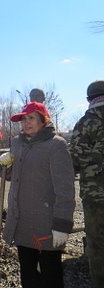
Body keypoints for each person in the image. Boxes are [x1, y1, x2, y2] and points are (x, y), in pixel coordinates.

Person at [2, 102, 75, 288]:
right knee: (28, 275)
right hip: (22, 222)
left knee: (51, 277)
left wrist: (62, 225)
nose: (26, 123)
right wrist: (4, 167)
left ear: (44, 120)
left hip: (46, 225)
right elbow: (13, 175)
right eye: (23, 119)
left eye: (31, 118)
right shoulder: (17, 143)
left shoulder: (56, 145)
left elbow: (65, 188)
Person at [69, 80, 104, 288]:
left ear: (89, 99)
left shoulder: (85, 123)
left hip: (95, 197)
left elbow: (73, 160)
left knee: (98, 246)